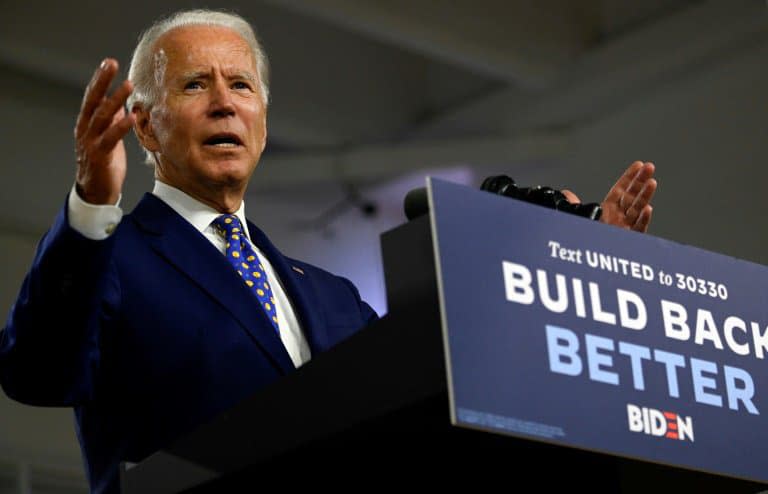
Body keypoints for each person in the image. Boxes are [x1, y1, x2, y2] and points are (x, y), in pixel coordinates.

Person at [0, 9, 657, 494]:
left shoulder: (331, 295)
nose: (225, 102)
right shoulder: (108, 262)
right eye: (196, 85)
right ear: (144, 121)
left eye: (243, 86)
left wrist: (579, 274)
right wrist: (90, 204)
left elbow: (439, 393)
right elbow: (37, 373)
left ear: (262, 119)